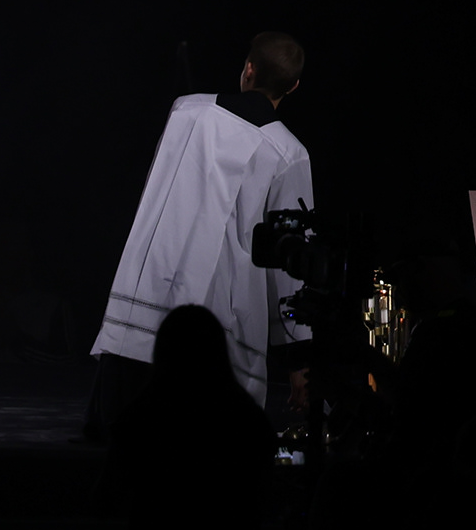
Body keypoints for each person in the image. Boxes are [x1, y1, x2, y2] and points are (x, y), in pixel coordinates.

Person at [89, 33, 315, 426]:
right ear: (293, 86)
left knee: (132, 428)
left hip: (153, 289)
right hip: (224, 307)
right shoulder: (289, 153)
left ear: (248, 69)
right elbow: (291, 258)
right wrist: (298, 358)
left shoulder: (187, 112)